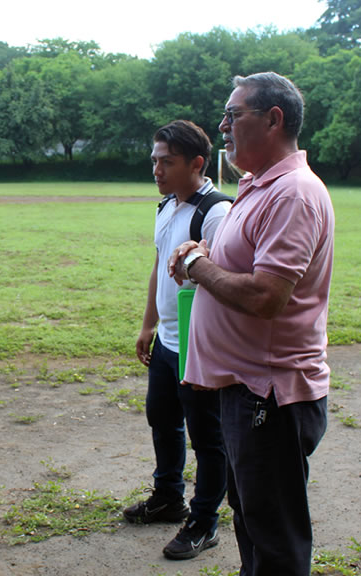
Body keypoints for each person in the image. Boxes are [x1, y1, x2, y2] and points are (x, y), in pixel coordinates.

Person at [169, 72, 334, 576]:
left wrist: (198, 266)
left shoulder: (292, 194)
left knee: (275, 535)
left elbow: (266, 296)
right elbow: (245, 268)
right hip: (246, 389)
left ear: (274, 119)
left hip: (270, 395)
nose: (222, 126)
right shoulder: (260, 186)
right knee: (253, 519)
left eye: (233, 114)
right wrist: (206, 252)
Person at [125, 120, 230, 560]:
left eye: (167, 162)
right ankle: (169, 497)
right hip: (167, 342)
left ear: (197, 163)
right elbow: (157, 269)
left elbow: (225, 284)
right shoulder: (167, 207)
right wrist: (147, 324)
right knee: (162, 420)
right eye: (155, 160)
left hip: (198, 345)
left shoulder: (217, 212)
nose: (157, 169)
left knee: (208, 437)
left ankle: (204, 522)